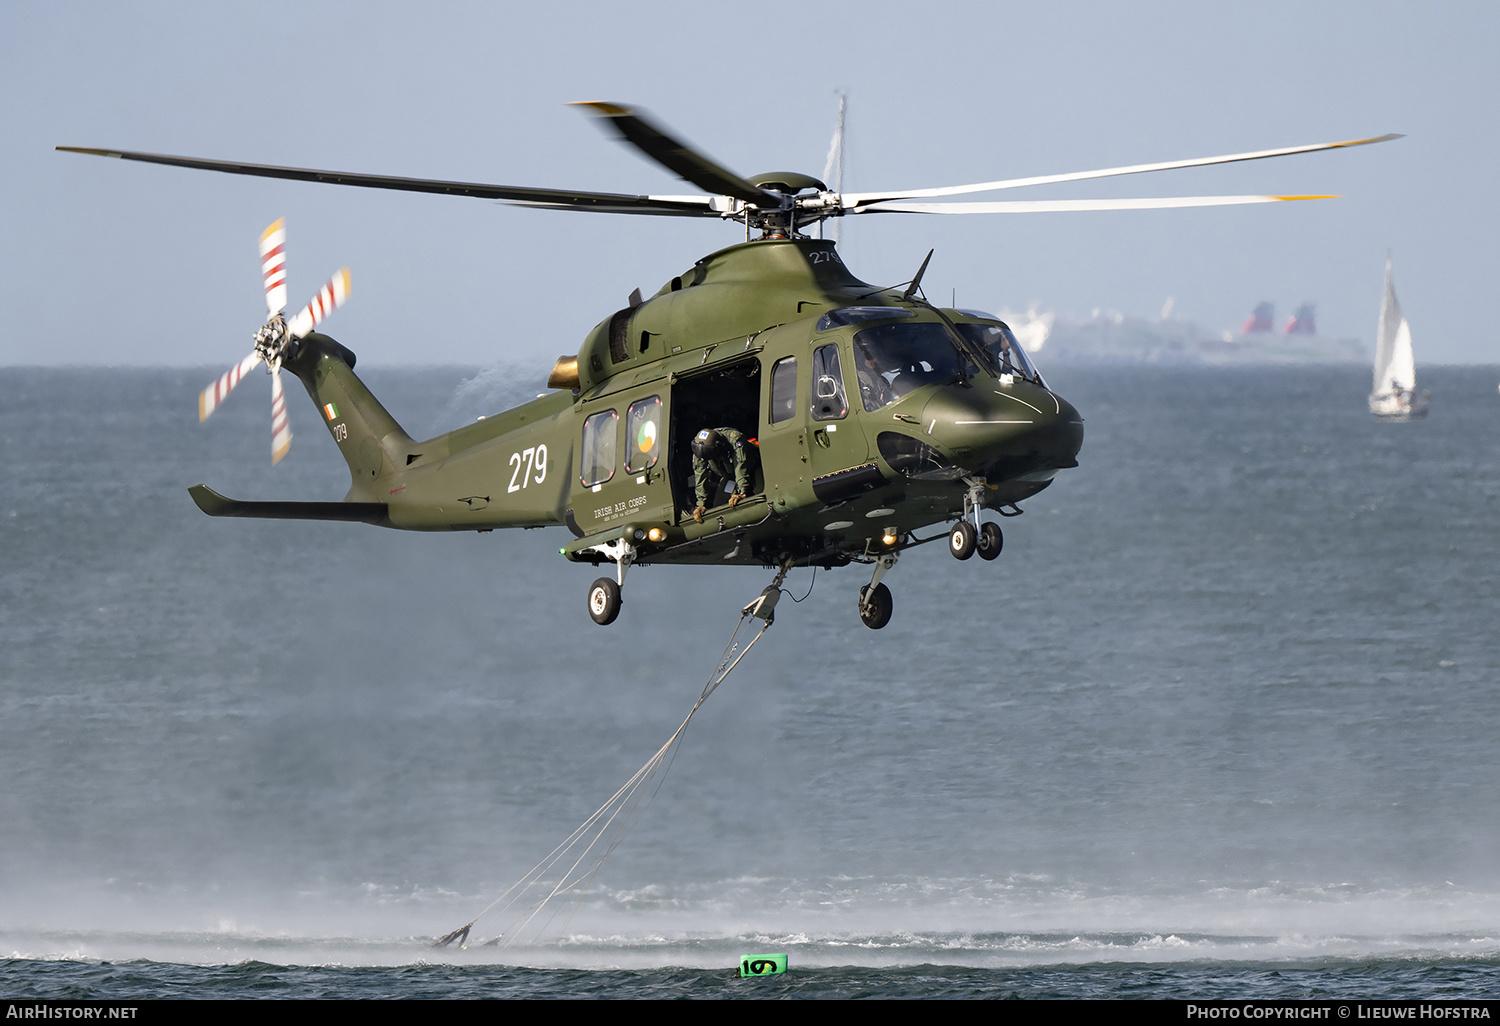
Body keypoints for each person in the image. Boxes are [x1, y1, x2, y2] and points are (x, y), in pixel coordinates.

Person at [690, 427, 755, 523]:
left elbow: (740, 467)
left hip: (752, 470)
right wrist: (701, 503)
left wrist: (742, 492)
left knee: (755, 497)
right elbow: (700, 475)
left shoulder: (735, 439)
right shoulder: (701, 449)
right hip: (729, 476)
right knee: (719, 505)